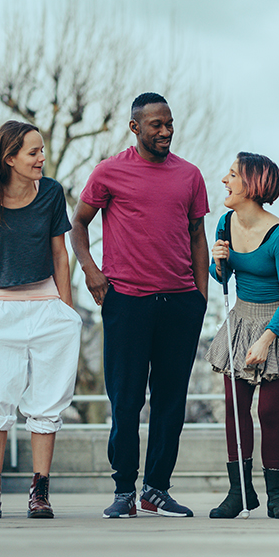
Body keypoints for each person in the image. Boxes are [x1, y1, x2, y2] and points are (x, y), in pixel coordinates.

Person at [71, 92, 209, 518]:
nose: (165, 131)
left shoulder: (189, 176)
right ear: (135, 128)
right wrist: (91, 272)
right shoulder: (109, 172)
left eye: (169, 123)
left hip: (180, 303)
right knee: (126, 401)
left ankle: (157, 490)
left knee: (171, 402)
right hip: (127, 303)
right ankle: (123, 490)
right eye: (156, 125)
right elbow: (78, 223)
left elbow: (197, 236)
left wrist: (200, 296)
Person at [0, 121, 82, 519]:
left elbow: (60, 253)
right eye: (33, 152)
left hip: (47, 304)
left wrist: (66, 306)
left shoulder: (51, 193)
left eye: (42, 150)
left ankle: (39, 491)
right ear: (9, 158)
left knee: (47, 403)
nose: (41, 158)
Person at [205, 153, 279, 519]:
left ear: (252, 184)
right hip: (241, 321)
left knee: (269, 411)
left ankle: (278, 495)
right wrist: (218, 262)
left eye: (231, 175)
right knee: (234, 410)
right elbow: (222, 279)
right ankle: (239, 493)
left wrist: (267, 338)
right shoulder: (225, 224)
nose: (224, 181)